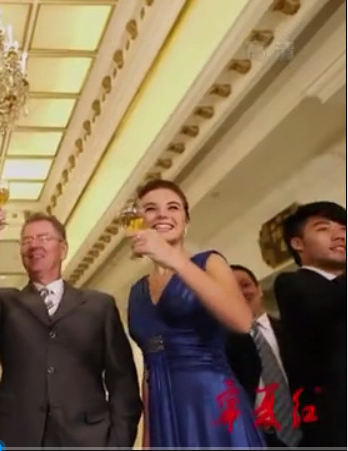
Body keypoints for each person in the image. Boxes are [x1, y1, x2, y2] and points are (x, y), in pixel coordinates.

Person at [0, 210, 142, 447]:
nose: (34, 245)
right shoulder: (3, 301)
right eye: (27, 240)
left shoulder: (99, 306)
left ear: (63, 249)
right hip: (16, 437)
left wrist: (118, 443)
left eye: (43, 237)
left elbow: (123, 382)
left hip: (86, 440)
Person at [125, 179, 264, 448]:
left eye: (173, 207)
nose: (163, 214)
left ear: (186, 221)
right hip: (163, 409)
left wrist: (173, 258)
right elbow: (149, 368)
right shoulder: (136, 291)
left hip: (212, 400)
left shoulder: (210, 262)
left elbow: (242, 321)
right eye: (151, 209)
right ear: (139, 223)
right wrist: (148, 439)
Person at [274, 201, 346, 447]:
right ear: (298, 243)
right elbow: (325, 306)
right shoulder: (292, 283)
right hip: (335, 423)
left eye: (344, 228)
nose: (340, 235)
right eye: (324, 228)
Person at [225, 265, 297, 447]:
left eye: (245, 285)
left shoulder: (292, 329)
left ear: (259, 289)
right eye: (231, 288)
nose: (241, 293)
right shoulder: (222, 350)